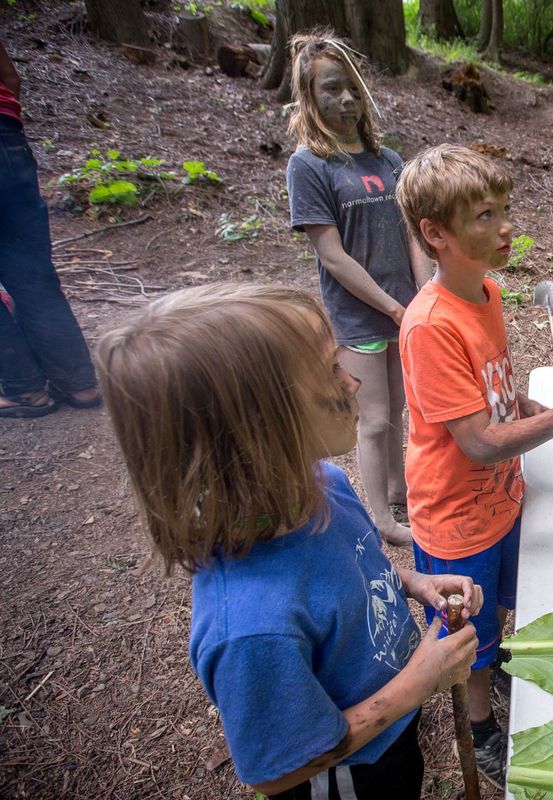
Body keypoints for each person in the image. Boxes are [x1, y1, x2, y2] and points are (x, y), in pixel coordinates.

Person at [96, 282, 482, 798]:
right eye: (328, 372)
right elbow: (276, 769)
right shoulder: (253, 627)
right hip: (345, 778)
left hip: (391, 731)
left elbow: (352, 567)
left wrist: (414, 582)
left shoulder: (325, 482)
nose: (350, 383)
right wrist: (418, 682)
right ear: (254, 429)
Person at [394, 144, 553, 787]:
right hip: (457, 515)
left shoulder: (488, 292)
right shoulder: (430, 326)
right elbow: (479, 442)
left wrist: (542, 407)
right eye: (485, 216)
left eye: (505, 210)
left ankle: (491, 679)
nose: (505, 228)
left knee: (500, 610)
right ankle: (483, 724)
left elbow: (496, 396)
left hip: (501, 501)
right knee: (472, 632)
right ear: (435, 234)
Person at [286, 31, 434, 545]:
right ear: (309, 96)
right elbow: (331, 254)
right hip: (360, 316)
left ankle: (400, 488)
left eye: (352, 88)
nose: (346, 99)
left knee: (398, 406)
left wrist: (422, 298)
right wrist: (393, 307)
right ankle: (381, 518)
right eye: (332, 89)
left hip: (403, 308)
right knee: (371, 419)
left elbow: (412, 234)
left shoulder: (387, 159)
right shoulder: (308, 166)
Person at [0, 38, 101, 418]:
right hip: (7, 138)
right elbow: (10, 77)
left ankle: (25, 389)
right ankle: (79, 383)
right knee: (33, 275)